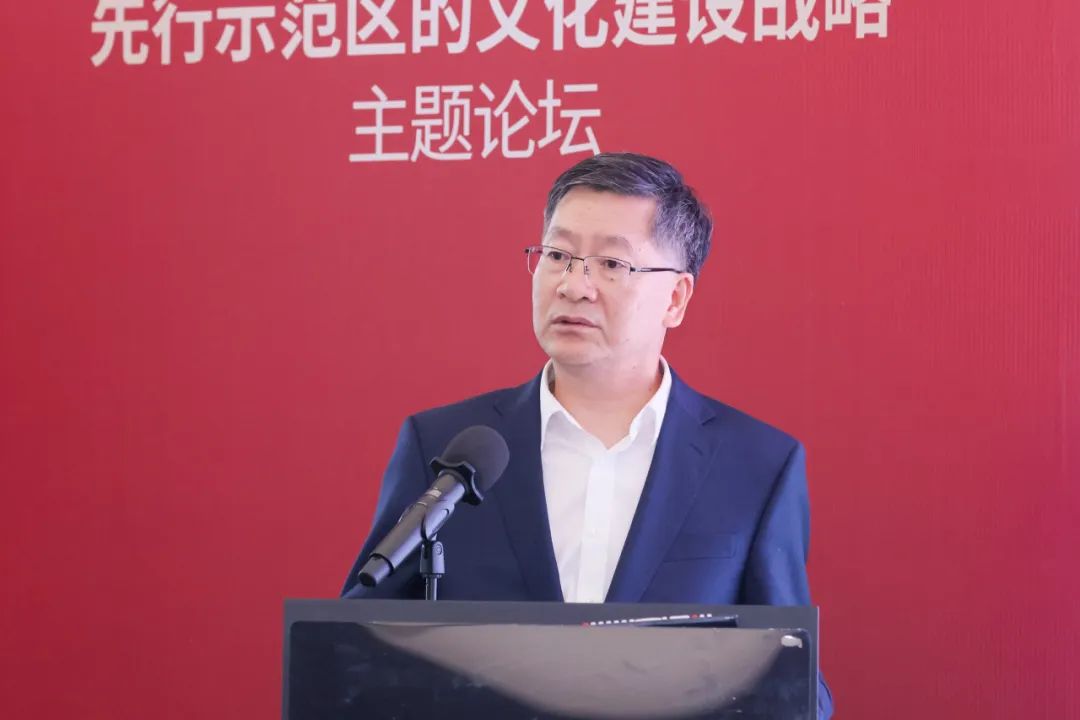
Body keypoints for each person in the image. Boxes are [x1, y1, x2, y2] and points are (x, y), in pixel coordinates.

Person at [341, 152, 833, 718]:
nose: (574, 285)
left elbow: (793, 684)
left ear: (675, 298)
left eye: (611, 264)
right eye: (558, 255)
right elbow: (356, 649)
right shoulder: (450, 448)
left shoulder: (755, 466)